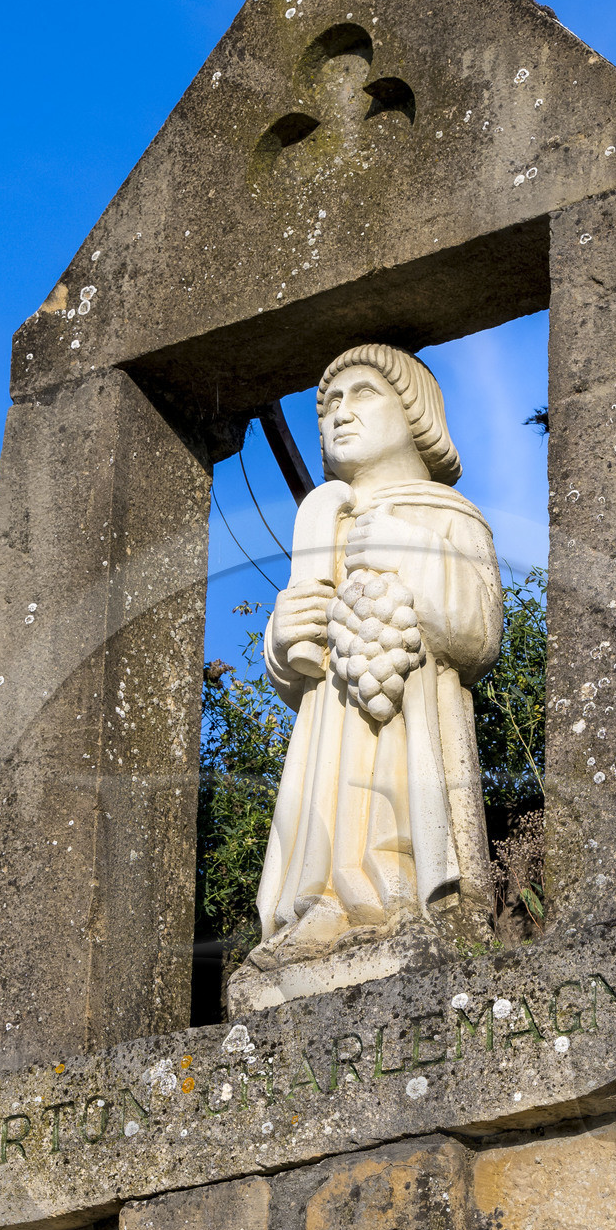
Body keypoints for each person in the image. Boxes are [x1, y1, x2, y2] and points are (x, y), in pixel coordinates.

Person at [252, 343, 504, 965]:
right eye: (328, 404)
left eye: (363, 393)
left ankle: (400, 902)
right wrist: (282, 640)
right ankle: (320, 907)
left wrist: (409, 551)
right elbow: (298, 676)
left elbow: (479, 631)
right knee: (324, 801)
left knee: (397, 795)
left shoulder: (449, 515)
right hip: (326, 723)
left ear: (416, 412)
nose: (340, 412)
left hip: (415, 707)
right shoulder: (322, 524)